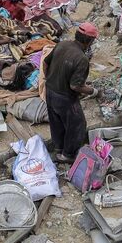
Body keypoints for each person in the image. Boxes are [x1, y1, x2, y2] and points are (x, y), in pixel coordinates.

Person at [43, 22, 98, 164]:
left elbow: (45, 63)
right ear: (90, 41)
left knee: (56, 122)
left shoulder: (62, 44)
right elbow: (75, 86)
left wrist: (48, 78)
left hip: (50, 91)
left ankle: (59, 149)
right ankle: (68, 155)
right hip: (65, 98)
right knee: (77, 125)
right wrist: (93, 91)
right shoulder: (82, 59)